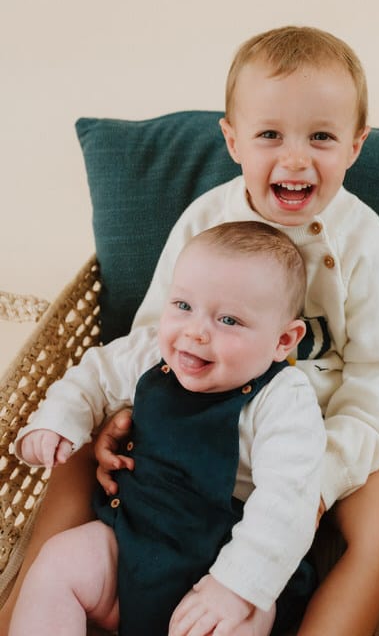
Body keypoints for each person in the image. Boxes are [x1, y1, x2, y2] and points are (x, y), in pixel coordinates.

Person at [2, 25, 379, 636]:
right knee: (74, 451)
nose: (296, 158)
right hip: (198, 399)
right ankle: (24, 609)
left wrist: (320, 480)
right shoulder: (207, 220)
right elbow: (158, 332)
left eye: (322, 137)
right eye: (270, 135)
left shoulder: (365, 244)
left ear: (356, 146)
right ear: (233, 140)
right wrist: (127, 416)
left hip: (328, 425)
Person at [9, 222, 326, 636]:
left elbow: (288, 502)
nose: (195, 331)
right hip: (129, 539)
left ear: (283, 340)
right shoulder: (148, 352)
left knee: (242, 621)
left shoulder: (284, 400)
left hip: (220, 561)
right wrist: (56, 423)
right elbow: (91, 376)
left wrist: (233, 586)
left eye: (228, 320)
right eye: (182, 306)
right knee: (58, 563)